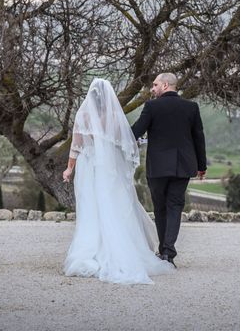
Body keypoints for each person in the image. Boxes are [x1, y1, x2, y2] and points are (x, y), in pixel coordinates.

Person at [61, 78, 175, 285]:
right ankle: (125, 250)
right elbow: (126, 143)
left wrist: (69, 168)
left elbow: (76, 146)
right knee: (115, 205)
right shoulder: (114, 116)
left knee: (92, 207)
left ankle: (89, 252)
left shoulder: (83, 115)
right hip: (110, 168)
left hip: (90, 166)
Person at [131, 73, 207, 267]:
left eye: (155, 85)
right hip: (183, 165)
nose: (152, 88)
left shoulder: (151, 107)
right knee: (175, 206)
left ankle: (165, 250)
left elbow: (135, 132)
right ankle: (168, 253)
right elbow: (199, 137)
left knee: (160, 207)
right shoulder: (191, 107)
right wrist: (201, 166)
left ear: (165, 85)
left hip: (157, 166)